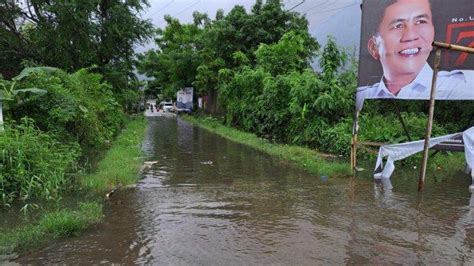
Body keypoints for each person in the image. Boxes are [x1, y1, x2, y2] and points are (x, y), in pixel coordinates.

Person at [356, 0, 474, 111]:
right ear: (373, 47)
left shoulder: (461, 85)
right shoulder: (363, 97)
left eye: (420, 22)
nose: (411, 36)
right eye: (398, 26)